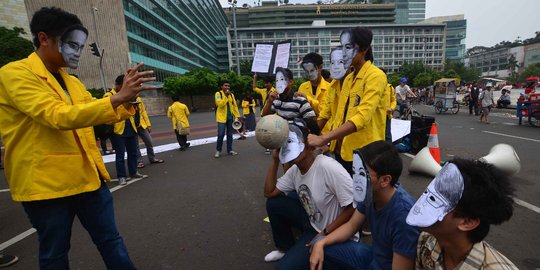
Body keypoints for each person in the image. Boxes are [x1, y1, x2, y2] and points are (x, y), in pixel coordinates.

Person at [0, 7, 154, 269]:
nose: (78, 52)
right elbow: (57, 116)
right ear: (44, 38)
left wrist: (125, 98)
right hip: (46, 186)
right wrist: (116, 98)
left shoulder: (72, 81)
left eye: (80, 46)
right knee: (55, 254)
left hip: (89, 179)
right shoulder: (14, 73)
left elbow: (94, 112)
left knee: (111, 241)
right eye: (71, 44)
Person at [309, 141, 420, 270]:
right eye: (355, 171)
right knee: (319, 244)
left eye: (362, 174)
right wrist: (321, 242)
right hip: (373, 257)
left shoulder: (404, 217)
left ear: (385, 180)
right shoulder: (368, 192)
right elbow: (351, 225)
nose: (355, 179)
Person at [263, 119, 354, 269]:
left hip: (333, 232)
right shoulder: (294, 170)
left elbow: (354, 207)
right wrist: (274, 160)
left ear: (307, 145)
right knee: (274, 204)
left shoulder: (328, 167)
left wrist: (325, 232)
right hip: (313, 223)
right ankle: (285, 248)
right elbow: (269, 192)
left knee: (284, 268)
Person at [406, 159, 518, 269]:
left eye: (435, 200)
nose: (422, 205)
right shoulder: (426, 243)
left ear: (467, 222)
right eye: (427, 193)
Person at [308, 27, 388, 175]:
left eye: (349, 47)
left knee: (362, 196)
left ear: (364, 49)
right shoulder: (349, 78)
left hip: (365, 155)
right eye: (342, 47)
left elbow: (361, 117)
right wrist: (322, 140)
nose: (344, 53)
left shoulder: (375, 76)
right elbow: (337, 116)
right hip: (341, 151)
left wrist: (323, 138)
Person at [105, 75, 147, 185]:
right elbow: (110, 111)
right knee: (120, 155)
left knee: (133, 152)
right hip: (118, 130)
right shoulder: (109, 96)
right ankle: (121, 176)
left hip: (131, 127)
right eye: (124, 86)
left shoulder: (128, 95)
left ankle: (133, 172)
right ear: (118, 86)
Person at [297, 52, 331, 133]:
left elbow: (324, 112)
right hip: (305, 134)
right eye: (306, 71)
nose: (309, 74)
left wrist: (307, 99)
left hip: (326, 134)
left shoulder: (330, 88)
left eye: (312, 70)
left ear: (320, 67)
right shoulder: (302, 87)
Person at [135, 97, 164, 168]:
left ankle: (152, 158)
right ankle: (139, 161)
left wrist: (148, 124)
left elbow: (143, 111)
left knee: (149, 141)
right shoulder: (126, 98)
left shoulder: (139, 99)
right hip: (132, 125)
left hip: (142, 124)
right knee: (135, 145)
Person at [214, 80, 240, 158]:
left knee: (230, 135)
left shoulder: (231, 95)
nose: (227, 87)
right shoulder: (218, 94)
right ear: (221, 86)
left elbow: (234, 106)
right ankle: (218, 150)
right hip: (221, 118)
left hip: (230, 118)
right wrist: (225, 95)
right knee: (221, 134)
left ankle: (230, 150)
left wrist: (237, 116)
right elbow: (220, 104)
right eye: (225, 85)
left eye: (228, 86)